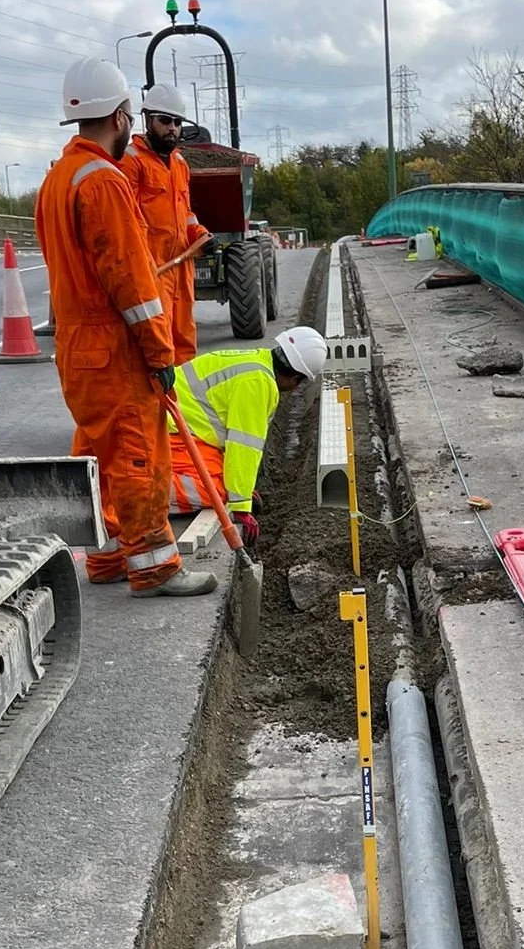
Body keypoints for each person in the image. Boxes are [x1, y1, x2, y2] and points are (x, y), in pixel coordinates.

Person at [35, 57, 215, 598]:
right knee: (138, 454)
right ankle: (156, 566)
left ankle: (108, 556)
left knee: (98, 451)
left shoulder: (56, 180)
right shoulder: (105, 183)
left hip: (77, 348)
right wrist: (160, 355)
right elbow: (133, 287)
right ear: (119, 116)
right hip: (115, 347)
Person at [169, 327, 329, 545]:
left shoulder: (257, 361)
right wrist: (240, 506)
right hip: (165, 428)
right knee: (216, 492)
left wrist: (244, 490)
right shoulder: (258, 383)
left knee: (224, 478)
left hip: (178, 423)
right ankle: (135, 490)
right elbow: (243, 447)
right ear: (295, 377)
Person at [123, 83, 210, 363]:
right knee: (157, 350)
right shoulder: (131, 162)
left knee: (184, 344)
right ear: (148, 120)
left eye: (177, 122)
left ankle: (184, 404)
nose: (172, 127)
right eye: (165, 121)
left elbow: (185, 214)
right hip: (153, 271)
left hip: (181, 268)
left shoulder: (180, 164)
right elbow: (127, 223)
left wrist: (200, 233)